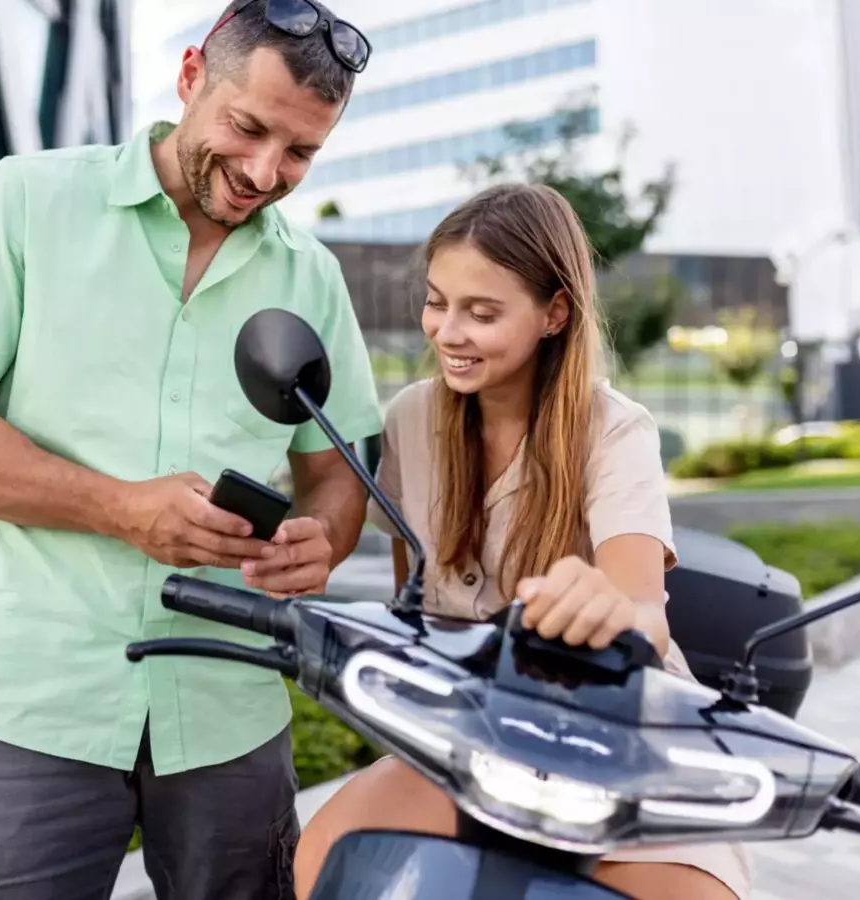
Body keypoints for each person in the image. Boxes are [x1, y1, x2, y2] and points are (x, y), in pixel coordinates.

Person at [0, 1, 380, 897]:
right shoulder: (26, 199)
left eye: (300, 152)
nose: (266, 171)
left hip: (230, 703)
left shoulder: (314, 277)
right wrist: (122, 509)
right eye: (248, 127)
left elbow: (335, 472)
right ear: (191, 76)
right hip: (35, 700)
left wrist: (325, 537)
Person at [293, 183, 754, 900]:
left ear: (554, 313)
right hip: (476, 727)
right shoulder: (412, 418)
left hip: (619, 728)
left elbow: (643, 609)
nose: (446, 331)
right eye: (436, 301)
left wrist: (602, 610)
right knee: (319, 859)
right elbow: (413, 605)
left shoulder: (614, 428)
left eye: (481, 312)